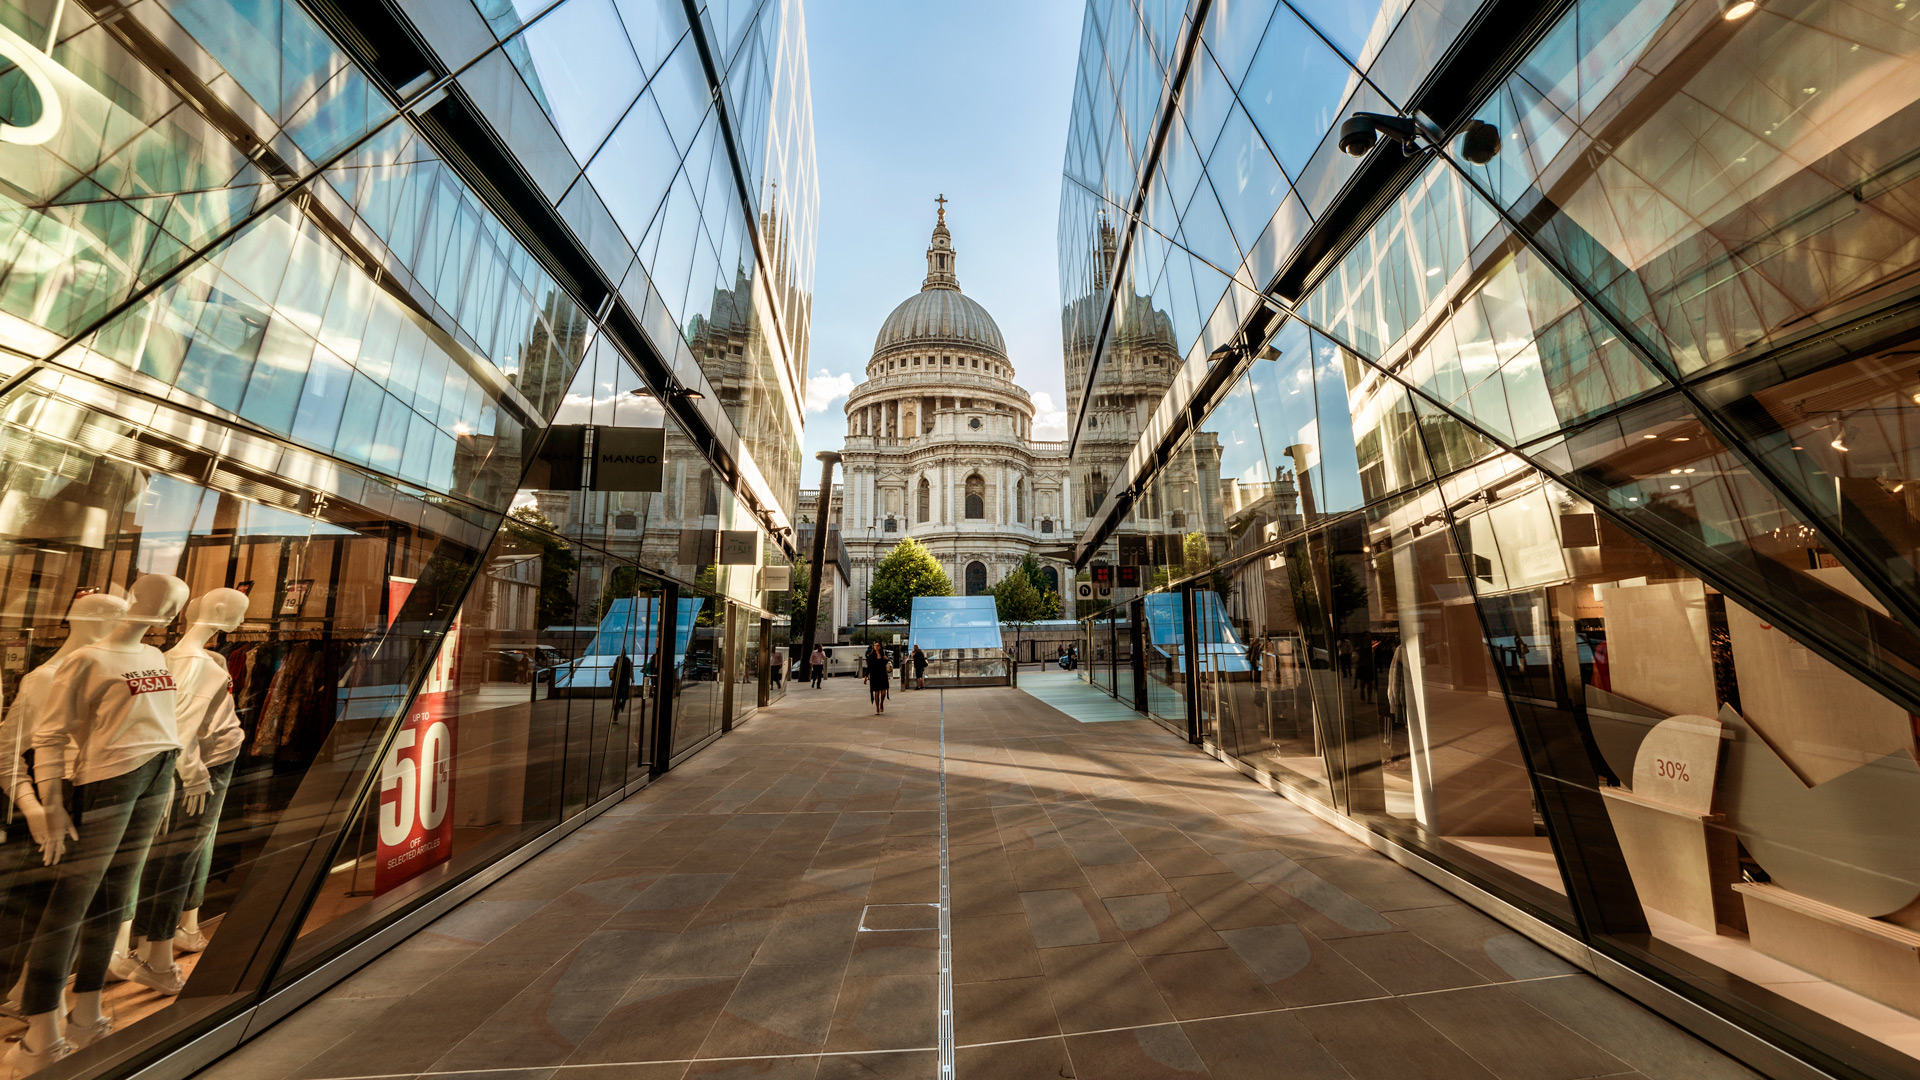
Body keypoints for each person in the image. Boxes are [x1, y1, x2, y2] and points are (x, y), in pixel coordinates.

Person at [866, 642, 890, 713]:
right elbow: (869, 666)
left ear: (880, 647)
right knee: (876, 692)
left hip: (883, 674)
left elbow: (885, 664)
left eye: (878, 645)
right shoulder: (871, 656)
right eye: (875, 645)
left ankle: (881, 703)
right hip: (875, 675)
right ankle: (877, 707)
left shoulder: (883, 655)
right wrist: (866, 675)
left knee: (883, 692)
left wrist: (886, 659)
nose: (876, 647)